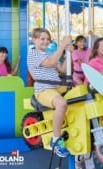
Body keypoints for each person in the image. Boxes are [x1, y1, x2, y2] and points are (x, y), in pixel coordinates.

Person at [27, 27, 72, 158]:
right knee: (62, 104)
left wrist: (69, 55)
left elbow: (62, 69)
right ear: (34, 39)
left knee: (81, 93)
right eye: (42, 39)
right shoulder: (33, 53)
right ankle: (56, 139)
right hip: (44, 88)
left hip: (57, 86)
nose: (46, 41)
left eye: (48, 39)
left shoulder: (48, 53)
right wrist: (62, 45)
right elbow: (52, 62)